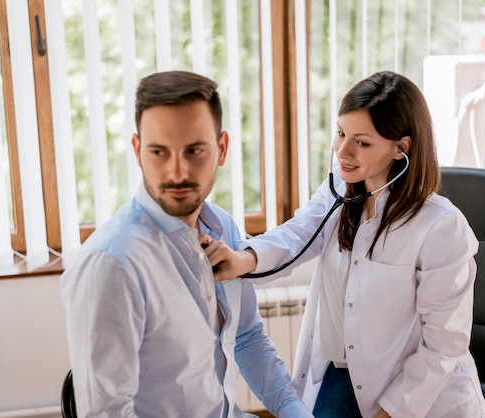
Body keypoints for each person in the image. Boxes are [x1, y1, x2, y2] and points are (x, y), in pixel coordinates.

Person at [204, 71, 485, 418]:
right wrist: (243, 259)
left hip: (420, 394)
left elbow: (444, 347)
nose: (343, 150)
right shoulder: (339, 192)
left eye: (362, 142)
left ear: (402, 147)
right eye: (341, 133)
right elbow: (297, 234)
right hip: (343, 375)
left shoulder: (441, 228)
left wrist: (391, 412)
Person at [61, 70, 312, 418]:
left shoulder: (222, 226)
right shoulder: (111, 265)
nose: (177, 172)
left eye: (194, 151)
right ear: (137, 151)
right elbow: (107, 413)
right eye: (159, 152)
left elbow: (247, 338)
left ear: (221, 149)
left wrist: (293, 411)